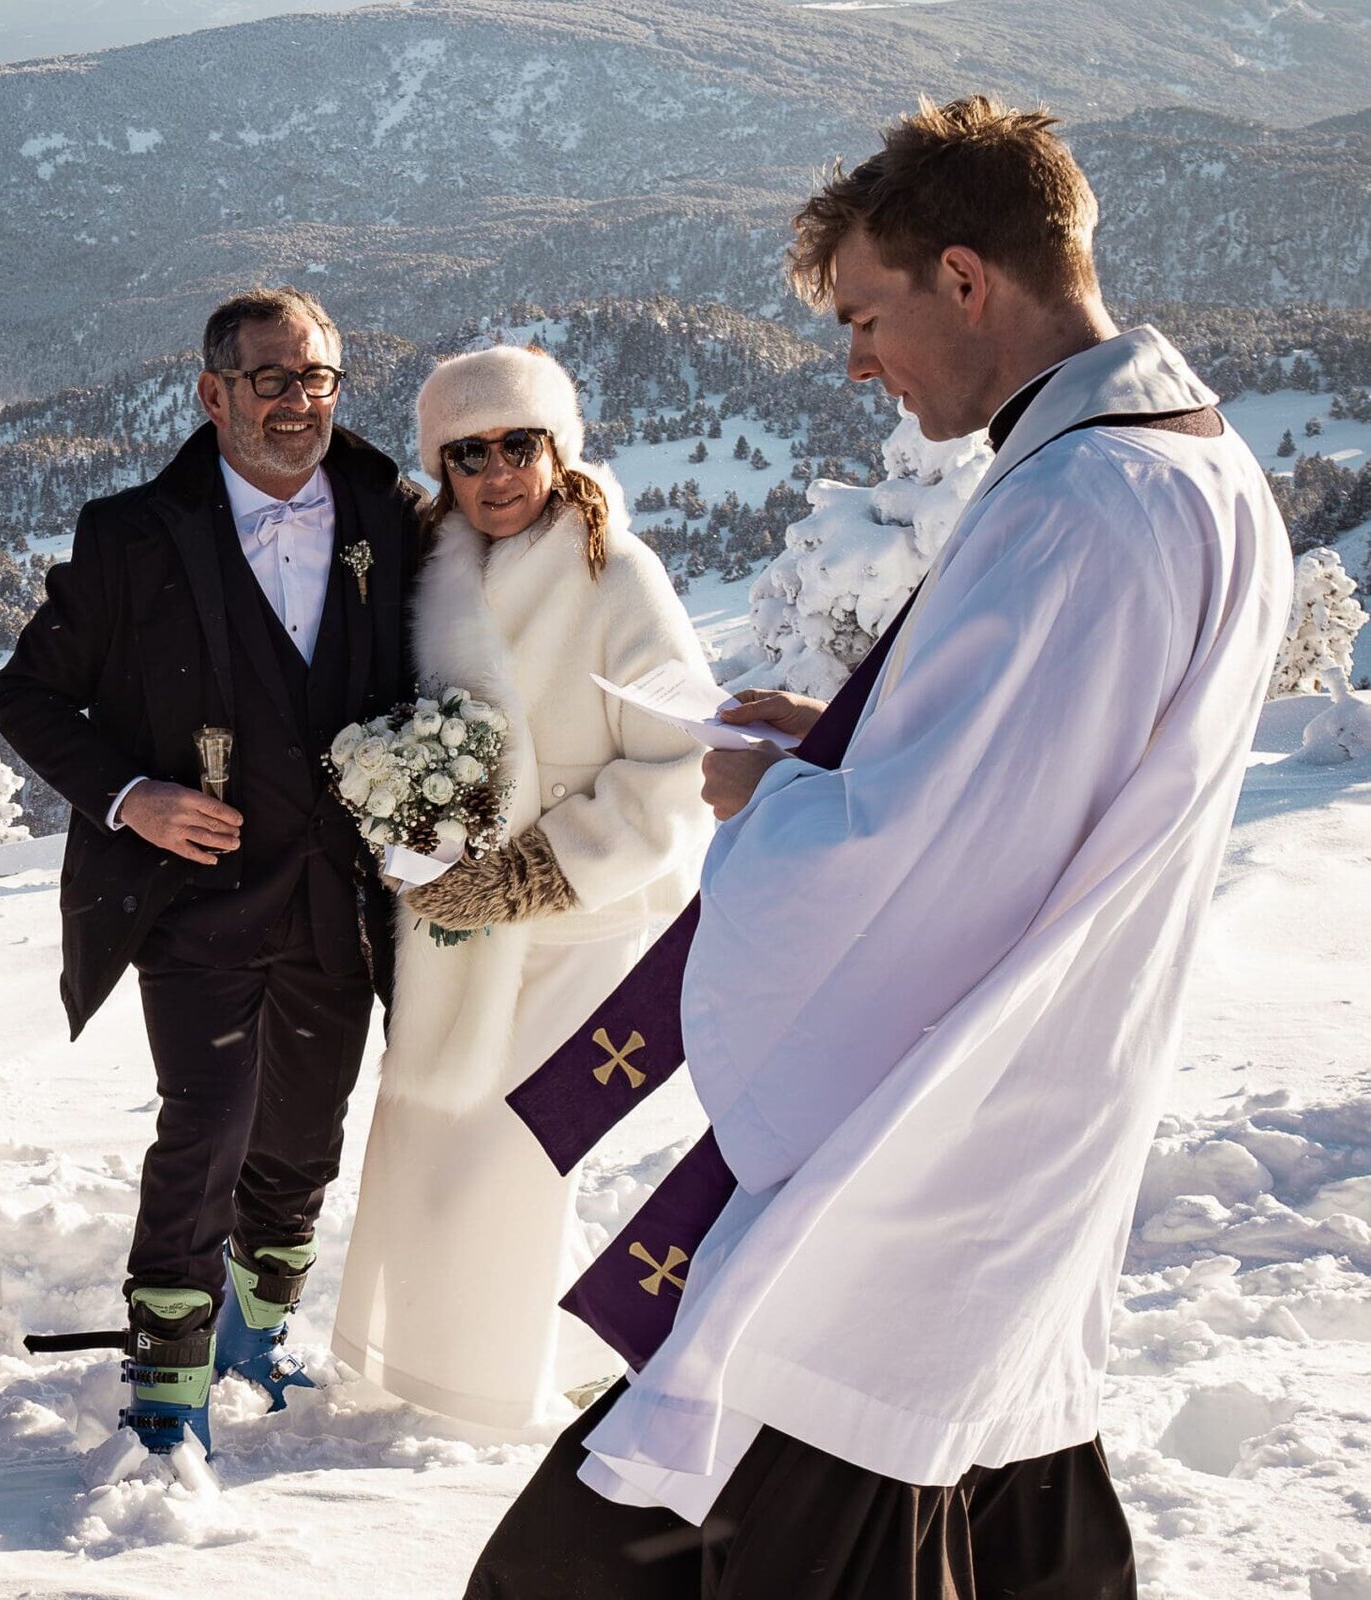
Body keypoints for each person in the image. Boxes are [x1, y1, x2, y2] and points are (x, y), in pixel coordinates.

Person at [467, 97, 1292, 1597]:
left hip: (926, 1165)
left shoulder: (1086, 507)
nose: (854, 359)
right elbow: (1016, 792)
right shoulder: (1188, 457)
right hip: (1022, 1123)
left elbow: (916, 864)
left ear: (968, 280)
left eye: (866, 316)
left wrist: (761, 802)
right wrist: (843, 737)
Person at [0, 286, 424, 1453]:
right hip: (194, 906)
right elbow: (23, 695)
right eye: (271, 379)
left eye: (317, 377)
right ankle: (168, 1384)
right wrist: (135, 798)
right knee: (207, 1128)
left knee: (303, 1139)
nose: (297, 402)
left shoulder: (392, 510)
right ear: (212, 393)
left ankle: (254, 1333)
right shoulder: (131, 535)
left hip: (339, 900)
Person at [331, 344, 715, 1430]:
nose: (494, 472)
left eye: (517, 444)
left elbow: (681, 762)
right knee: (424, 1130)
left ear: (558, 447)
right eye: (466, 454)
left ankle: (489, 1388)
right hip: (455, 916)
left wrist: (539, 871)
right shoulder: (438, 566)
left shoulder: (616, 573)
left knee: (510, 1150)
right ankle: (413, 1364)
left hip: (576, 924)